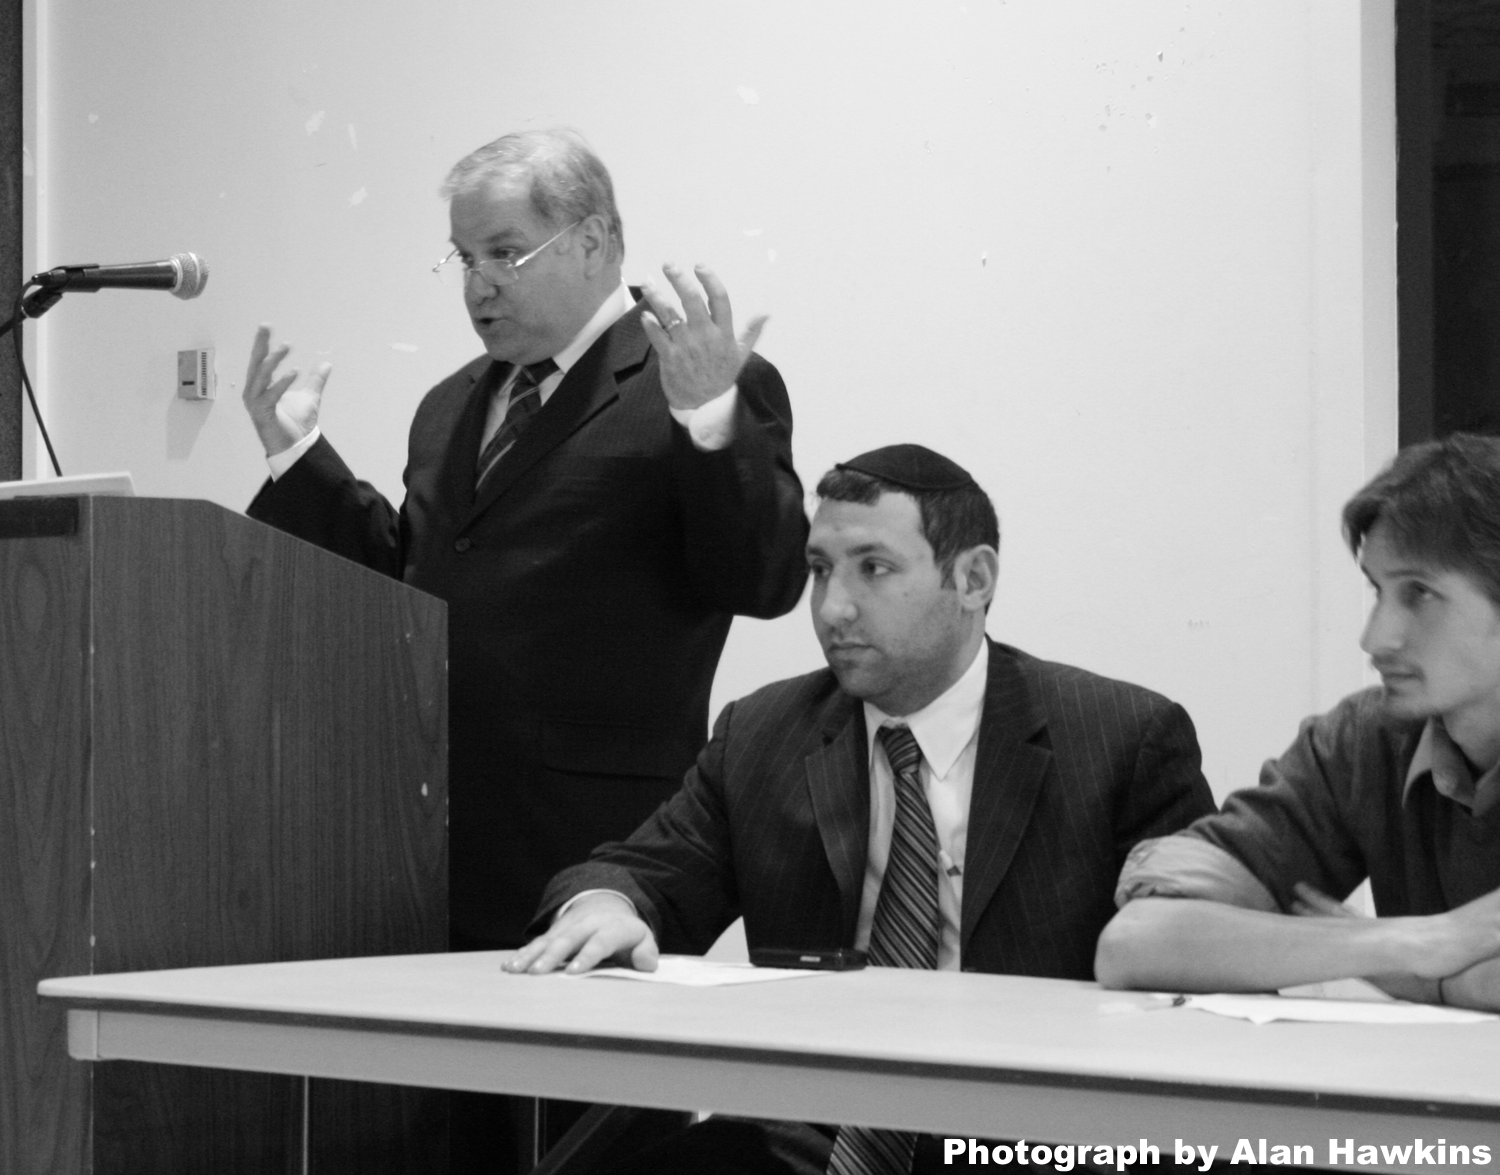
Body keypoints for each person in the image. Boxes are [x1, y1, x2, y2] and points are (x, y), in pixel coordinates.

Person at [511, 444, 1217, 1175]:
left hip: (1038, 1137)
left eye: (873, 569)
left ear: (973, 578)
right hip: (816, 1134)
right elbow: (646, 871)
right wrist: (604, 904)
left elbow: (1196, 962)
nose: (831, 607)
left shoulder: (1121, 737)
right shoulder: (764, 731)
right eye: (820, 570)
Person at [240, 129, 809, 953]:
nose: (478, 285)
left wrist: (708, 418)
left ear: (593, 242)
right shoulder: (449, 406)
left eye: (504, 252)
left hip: (597, 850)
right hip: (427, 837)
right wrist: (299, 460)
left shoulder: (692, 380)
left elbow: (762, 578)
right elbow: (411, 586)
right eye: (463, 258)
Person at [1096, 433, 1500, 1011]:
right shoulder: (1366, 741)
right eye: (1377, 589)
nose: (1375, 638)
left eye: (1420, 594)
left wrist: (1411, 973)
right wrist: (1424, 942)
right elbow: (1137, 944)